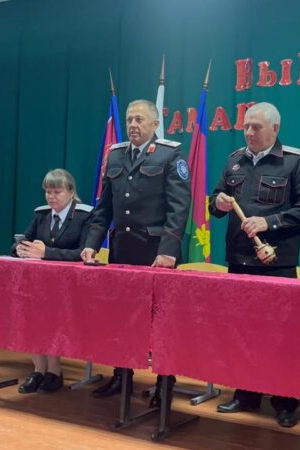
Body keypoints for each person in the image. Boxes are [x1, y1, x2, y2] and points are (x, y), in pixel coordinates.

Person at [209, 102, 300, 428]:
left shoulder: (295, 161)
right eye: (246, 126)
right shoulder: (234, 160)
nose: (249, 132)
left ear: (275, 129)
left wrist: (268, 222)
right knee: (242, 332)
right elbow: (215, 202)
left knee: (280, 337)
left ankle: (285, 402)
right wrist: (217, 202)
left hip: (276, 263)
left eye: (256, 127)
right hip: (238, 261)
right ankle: (246, 394)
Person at [81, 99, 191, 405]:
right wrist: (91, 243)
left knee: (161, 322)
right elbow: (103, 208)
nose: (132, 125)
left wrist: (169, 250)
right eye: (129, 119)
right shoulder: (116, 154)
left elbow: (179, 208)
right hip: (123, 251)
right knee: (122, 317)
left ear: (155, 124)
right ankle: (122, 376)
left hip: (156, 254)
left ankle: (165, 384)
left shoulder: (171, 154)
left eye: (139, 120)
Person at [12, 169, 93, 394]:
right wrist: (20, 249)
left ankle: (54, 372)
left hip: (70, 286)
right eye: (48, 192)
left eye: (57, 192)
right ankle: (38, 370)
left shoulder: (84, 216)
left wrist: (46, 253)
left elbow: (82, 253)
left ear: (71, 192)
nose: (51, 197)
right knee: (30, 319)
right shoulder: (41, 214)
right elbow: (23, 240)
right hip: (38, 283)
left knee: (50, 320)